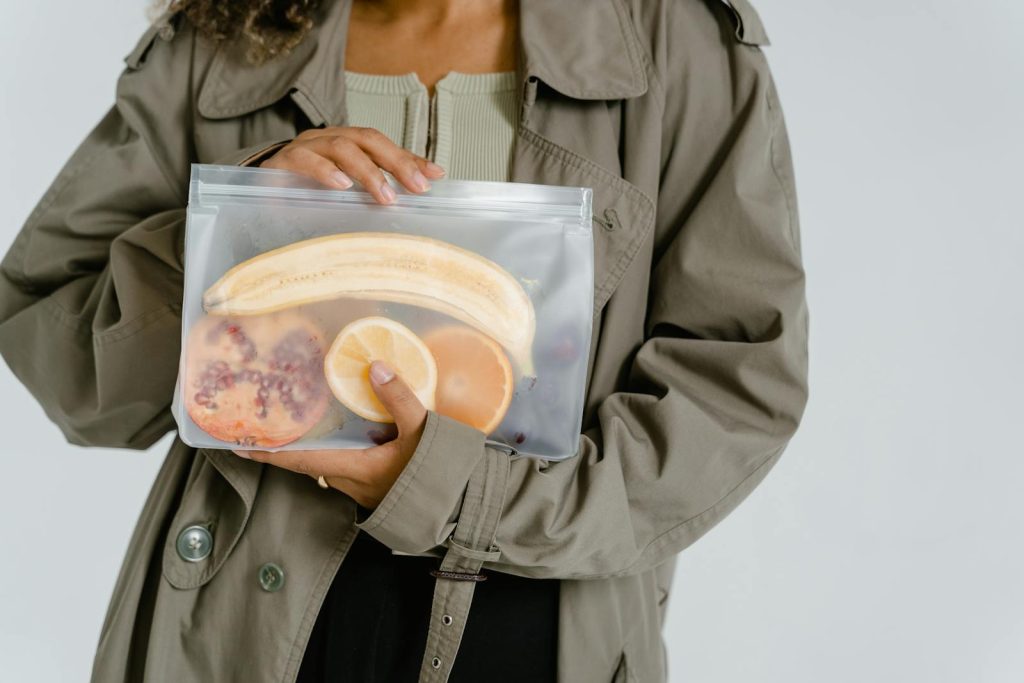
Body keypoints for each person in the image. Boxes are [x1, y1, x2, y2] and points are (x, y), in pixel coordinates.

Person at [0, 0, 810, 681]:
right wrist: (232, 227)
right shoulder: (219, 38)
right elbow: (63, 359)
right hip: (237, 629)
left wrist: (458, 494)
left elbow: (735, 384)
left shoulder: (675, 40)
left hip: (544, 621)